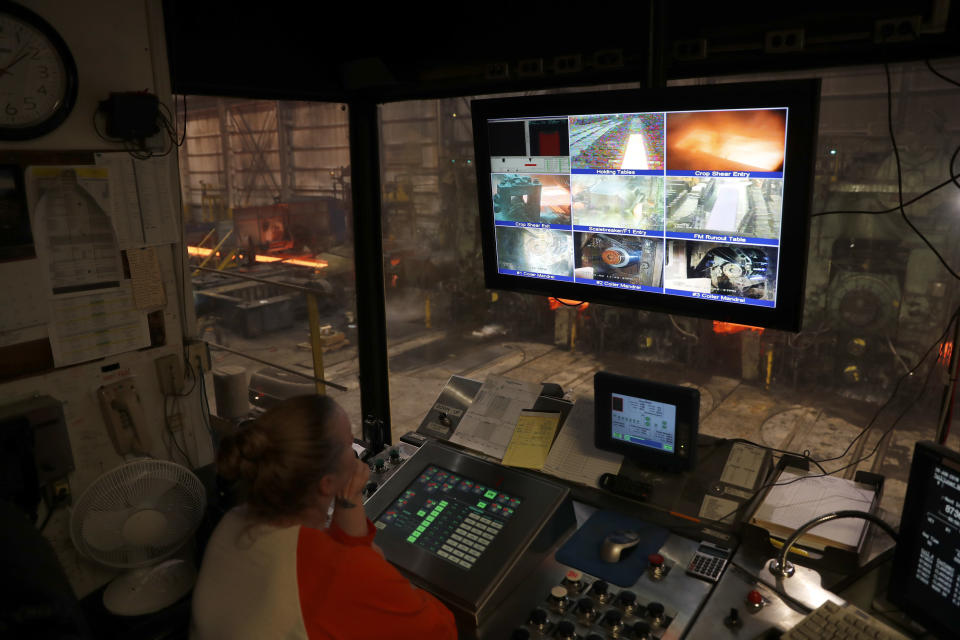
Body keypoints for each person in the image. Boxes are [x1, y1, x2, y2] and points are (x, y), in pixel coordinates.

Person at [190, 395, 457, 640]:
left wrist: (348, 501)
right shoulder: (340, 570)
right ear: (327, 484)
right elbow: (441, 629)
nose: (355, 456)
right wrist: (373, 564)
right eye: (347, 445)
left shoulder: (234, 520)